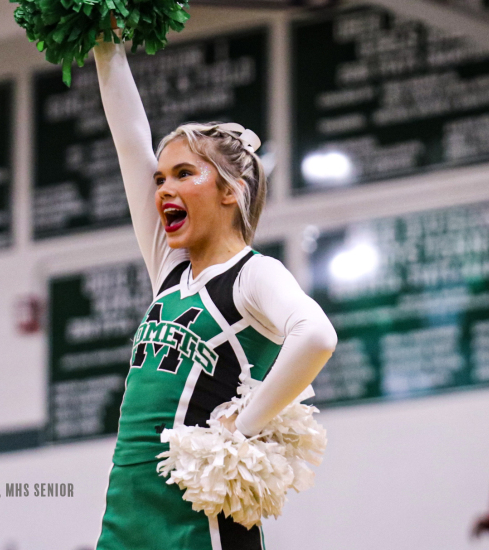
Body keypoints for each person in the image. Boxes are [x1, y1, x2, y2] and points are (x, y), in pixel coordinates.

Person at [91, 24, 338, 550]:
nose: (164, 189)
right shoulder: (170, 269)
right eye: (160, 180)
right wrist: (103, 41)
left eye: (184, 174)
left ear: (231, 191)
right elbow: (129, 138)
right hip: (127, 517)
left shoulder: (253, 275)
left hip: (200, 526)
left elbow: (316, 337)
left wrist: (243, 427)